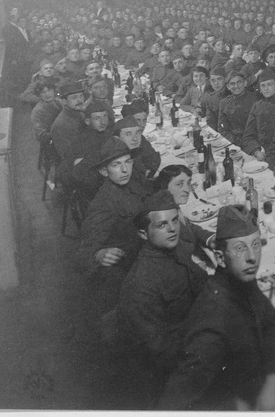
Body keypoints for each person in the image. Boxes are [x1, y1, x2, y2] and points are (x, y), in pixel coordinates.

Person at [158, 205, 275, 410]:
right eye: (240, 248)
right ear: (220, 257)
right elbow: (176, 399)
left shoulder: (241, 278)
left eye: (255, 244)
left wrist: (273, 379)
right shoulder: (213, 321)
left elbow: (271, 319)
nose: (252, 256)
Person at [117, 191, 209, 391]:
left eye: (175, 221)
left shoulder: (173, 252)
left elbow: (200, 286)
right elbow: (161, 350)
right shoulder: (140, 284)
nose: (173, 229)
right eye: (162, 225)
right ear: (143, 234)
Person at [76, 137, 149, 315]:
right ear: (103, 171)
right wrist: (98, 254)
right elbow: (82, 254)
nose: (125, 170)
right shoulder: (103, 204)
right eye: (116, 165)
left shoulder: (133, 184)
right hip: (133, 266)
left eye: (128, 162)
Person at [241, 70, 275, 159]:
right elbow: (248, 136)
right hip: (262, 153)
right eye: (263, 85)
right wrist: (256, 151)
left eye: (269, 84)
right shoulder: (257, 106)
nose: (266, 88)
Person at [217, 71, 258, 146]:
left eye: (239, 82)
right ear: (228, 87)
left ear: (245, 83)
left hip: (253, 142)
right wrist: (235, 142)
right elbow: (222, 128)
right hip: (234, 142)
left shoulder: (256, 100)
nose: (236, 86)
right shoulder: (224, 103)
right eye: (232, 84)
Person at [50, 81, 88, 159]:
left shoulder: (78, 112)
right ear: (64, 101)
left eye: (81, 96)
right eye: (74, 97)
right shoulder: (62, 125)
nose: (79, 100)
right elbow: (70, 156)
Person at [115, 116, 161, 181]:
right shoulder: (118, 163)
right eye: (128, 134)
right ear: (117, 138)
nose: (135, 138)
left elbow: (154, 158)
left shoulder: (135, 151)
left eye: (138, 133)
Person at [31, 78, 62, 144]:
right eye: (43, 92)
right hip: (50, 144)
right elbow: (40, 135)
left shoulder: (58, 103)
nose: (47, 94)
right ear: (39, 95)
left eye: (49, 90)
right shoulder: (38, 111)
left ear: (54, 90)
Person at [201, 67, 228, 131]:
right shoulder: (210, 99)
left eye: (219, 79)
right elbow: (211, 122)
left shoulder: (232, 94)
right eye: (213, 80)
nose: (216, 83)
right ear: (210, 82)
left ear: (225, 79)